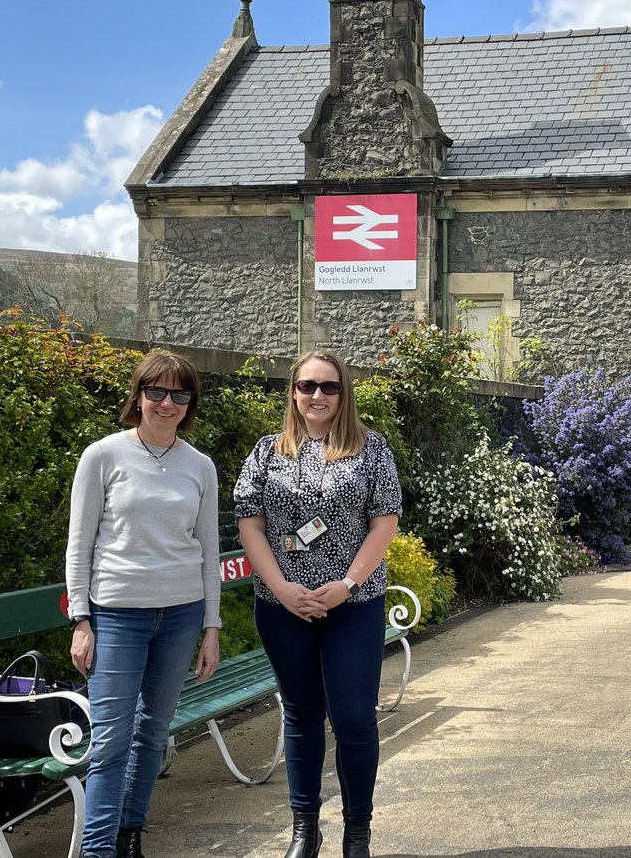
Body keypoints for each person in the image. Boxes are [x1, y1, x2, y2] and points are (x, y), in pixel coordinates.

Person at [234, 349, 401, 858]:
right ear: (293, 392)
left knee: (353, 716)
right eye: (307, 386)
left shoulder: (372, 450)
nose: (317, 396)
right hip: (283, 605)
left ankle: (357, 833)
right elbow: (250, 523)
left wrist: (346, 584)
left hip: (353, 602)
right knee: (302, 714)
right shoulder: (267, 452)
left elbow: (385, 523)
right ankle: (305, 829)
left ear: (343, 393)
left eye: (328, 387)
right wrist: (283, 589)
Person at [66, 351, 222, 858]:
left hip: (180, 616)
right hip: (115, 616)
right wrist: (81, 621)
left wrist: (211, 627)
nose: (167, 402)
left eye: (180, 394)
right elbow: (80, 544)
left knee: (153, 733)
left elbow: (208, 550)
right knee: (110, 741)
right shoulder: (103, 455)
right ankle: (97, 851)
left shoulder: (199, 466)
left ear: (189, 403)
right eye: (156, 391)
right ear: (138, 396)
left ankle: (130, 835)